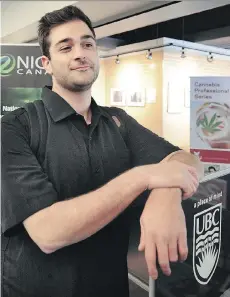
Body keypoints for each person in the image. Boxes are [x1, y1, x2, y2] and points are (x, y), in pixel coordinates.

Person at [1, 5, 203, 297]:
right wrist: (145, 177)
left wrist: (166, 193)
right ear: (46, 63)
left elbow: (187, 160)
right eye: (65, 47)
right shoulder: (14, 127)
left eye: (87, 43)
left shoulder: (117, 121)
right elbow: (48, 232)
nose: (80, 53)